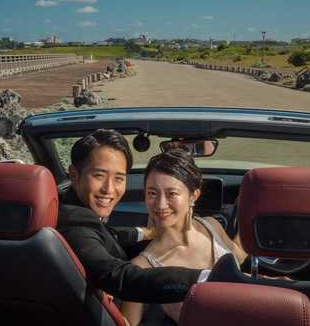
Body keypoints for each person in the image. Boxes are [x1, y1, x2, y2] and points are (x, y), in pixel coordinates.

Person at [56, 129, 204, 305]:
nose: (109, 189)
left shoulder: (73, 207)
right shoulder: (74, 221)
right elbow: (120, 278)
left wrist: (146, 233)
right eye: (99, 175)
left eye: (119, 178)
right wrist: (205, 279)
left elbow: (108, 234)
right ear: (73, 175)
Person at [119, 149, 245, 326]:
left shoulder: (211, 227)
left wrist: (246, 217)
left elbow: (240, 257)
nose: (160, 204)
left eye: (171, 193)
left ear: (193, 195)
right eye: (152, 193)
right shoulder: (141, 267)